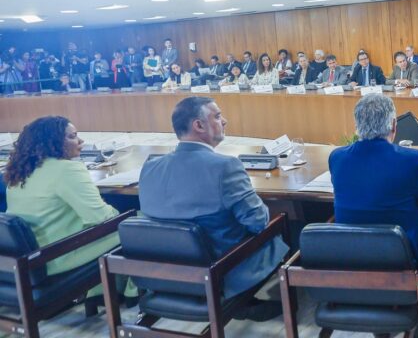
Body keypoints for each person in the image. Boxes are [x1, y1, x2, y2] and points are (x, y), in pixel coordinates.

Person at [139, 97, 289, 312]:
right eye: (217, 116)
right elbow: (257, 222)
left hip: (164, 271)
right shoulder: (225, 166)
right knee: (282, 226)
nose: (224, 121)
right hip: (220, 269)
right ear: (198, 125)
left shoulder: (150, 167)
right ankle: (273, 301)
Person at [329, 94, 418, 325]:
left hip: (349, 254)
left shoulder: (337, 157)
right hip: (402, 257)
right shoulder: (411, 159)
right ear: (394, 125)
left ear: (356, 125)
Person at [3, 116, 133, 299]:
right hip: (57, 257)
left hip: (29, 258)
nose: (81, 141)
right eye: (72, 137)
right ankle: (133, 293)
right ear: (54, 143)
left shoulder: (20, 170)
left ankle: (103, 292)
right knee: (137, 226)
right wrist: (123, 214)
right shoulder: (67, 170)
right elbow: (103, 219)